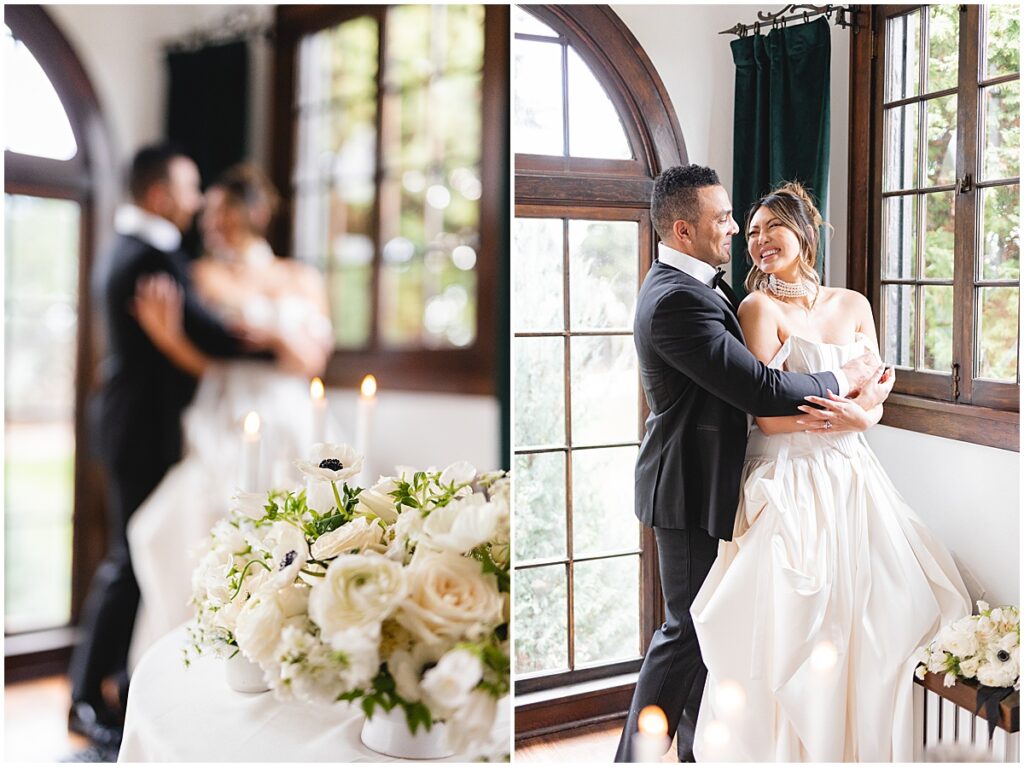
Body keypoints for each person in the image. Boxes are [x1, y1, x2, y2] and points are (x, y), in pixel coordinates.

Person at [614, 165, 894, 762]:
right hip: (689, 484)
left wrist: (865, 409)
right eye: (724, 218)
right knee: (688, 631)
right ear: (684, 230)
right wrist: (846, 376)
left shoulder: (701, 285)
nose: (738, 229)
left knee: (712, 631)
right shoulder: (674, 300)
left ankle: (692, 752)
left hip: (724, 477)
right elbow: (763, 392)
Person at [689, 183, 970, 761]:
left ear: (804, 233)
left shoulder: (854, 305)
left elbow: (876, 395)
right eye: (754, 231)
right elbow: (765, 416)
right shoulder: (758, 309)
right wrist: (836, 421)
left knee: (875, 619)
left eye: (772, 227)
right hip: (788, 477)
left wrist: (861, 422)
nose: (760, 241)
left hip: (852, 474)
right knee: (798, 626)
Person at [70, 146, 261, 749]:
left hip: (138, 421)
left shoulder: (135, 249)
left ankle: (118, 684)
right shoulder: (148, 257)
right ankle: (83, 698)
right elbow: (205, 331)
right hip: (140, 425)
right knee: (131, 554)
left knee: (135, 551)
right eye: (188, 186)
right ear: (158, 196)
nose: (198, 198)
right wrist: (273, 339)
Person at [125, 163, 332, 659]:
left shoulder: (299, 277)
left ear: (253, 211)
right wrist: (169, 339)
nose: (211, 222)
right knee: (189, 528)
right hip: (225, 412)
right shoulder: (201, 275)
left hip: (289, 414)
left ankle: (281, 648)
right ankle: (201, 646)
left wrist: (278, 334)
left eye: (222, 210)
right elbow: (207, 364)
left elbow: (313, 360)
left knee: (288, 533)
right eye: (208, 212)